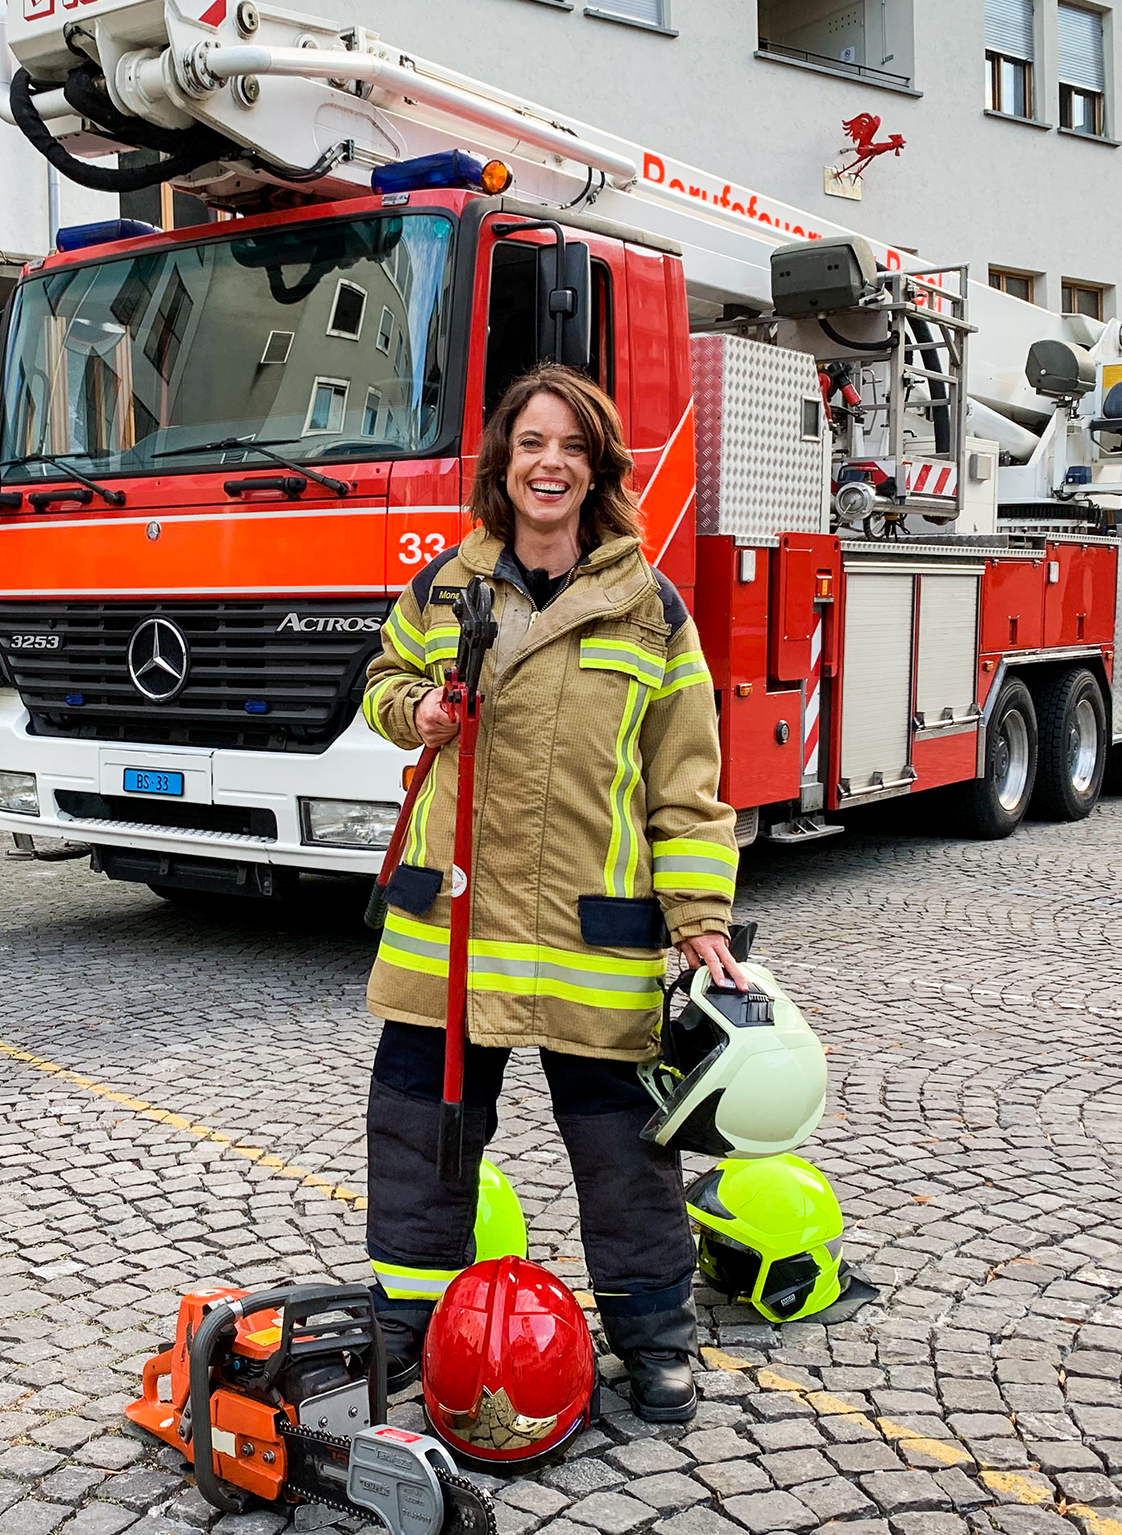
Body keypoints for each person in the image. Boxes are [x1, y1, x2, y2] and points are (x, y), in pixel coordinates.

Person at [358, 363, 743, 1424]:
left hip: (592, 929)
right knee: (417, 1136)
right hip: (454, 925)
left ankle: (655, 1338)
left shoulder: (650, 607)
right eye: (532, 442)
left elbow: (686, 777)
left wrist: (699, 920)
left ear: (597, 469)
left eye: (571, 446)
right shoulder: (443, 586)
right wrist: (415, 713)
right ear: (502, 462)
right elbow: (380, 687)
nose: (549, 462)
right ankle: (405, 1329)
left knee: (624, 1153)